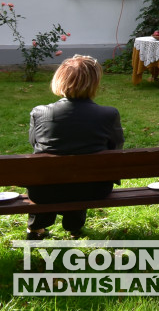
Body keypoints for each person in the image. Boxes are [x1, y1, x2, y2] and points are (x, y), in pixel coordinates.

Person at [26, 55, 124, 239]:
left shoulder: (40, 112)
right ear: (94, 83)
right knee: (82, 176)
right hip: (94, 189)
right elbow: (115, 147)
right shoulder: (109, 114)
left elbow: (35, 145)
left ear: (60, 79)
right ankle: (74, 225)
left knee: (46, 174)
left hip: (45, 191)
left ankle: (36, 227)